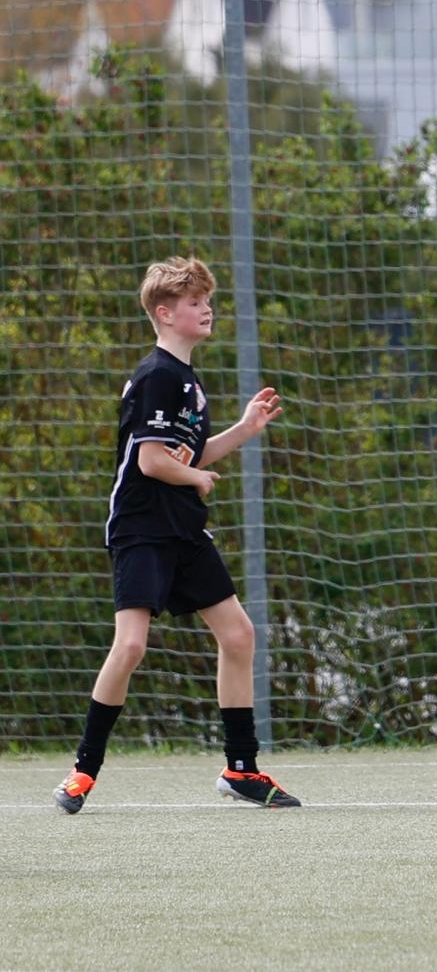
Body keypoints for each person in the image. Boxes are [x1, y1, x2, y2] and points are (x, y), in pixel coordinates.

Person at [54, 257, 299, 813]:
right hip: (142, 530)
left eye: (207, 300)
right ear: (164, 314)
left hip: (184, 529)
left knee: (238, 636)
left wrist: (243, 428)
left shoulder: (187, 379)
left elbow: (190, 454)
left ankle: (242, 769)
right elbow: (151, 462)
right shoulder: (157, 375)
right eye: (193, 302)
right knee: (132, 645)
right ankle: (82, 772)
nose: (206, 308)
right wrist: (194, 476)